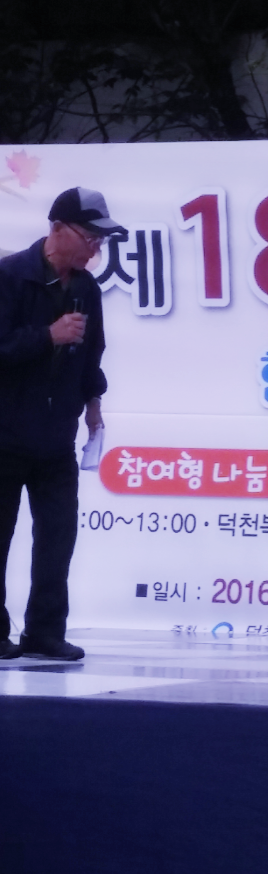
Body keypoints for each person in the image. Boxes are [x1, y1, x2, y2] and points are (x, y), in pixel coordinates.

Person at [0, 188, 127, 660]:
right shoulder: (9, 277)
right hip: (5, 433)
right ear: (56, 229)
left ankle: (45, 631)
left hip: (56, 437)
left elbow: (94, 349)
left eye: (100, 240)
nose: (95, 248)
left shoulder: (86, 288)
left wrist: (94, 399)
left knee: (57, 537)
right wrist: (47, 336)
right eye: (90, 237)